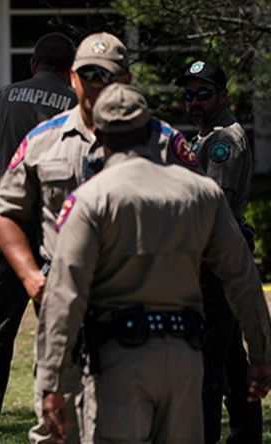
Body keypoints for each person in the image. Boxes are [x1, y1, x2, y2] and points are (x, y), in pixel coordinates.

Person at [0, 32, 198, 444]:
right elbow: (6, 211)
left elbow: (202, 212)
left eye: (107, 76)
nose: (96, 84)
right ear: (72, 78)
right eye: (88, 75)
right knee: (56, 426)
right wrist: (31, 276)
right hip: (65, 303)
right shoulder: (43, 141)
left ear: (127, 79)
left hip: (142, 309)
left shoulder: (162, 141)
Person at [37, 84, 271, 443]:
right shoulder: (202, 193)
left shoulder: (89, 201)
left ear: (97, 135)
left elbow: (64, 296)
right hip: (184, 357)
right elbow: (242, 279)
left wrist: (52, 379)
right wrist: (261, 353)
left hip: (118, 359)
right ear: (151, 130)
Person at [0, 33, 78, 443]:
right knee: (68, 344)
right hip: (62, 241)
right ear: (70, 68)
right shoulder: (81, 106)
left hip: (5, 236)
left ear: (32, 64)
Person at [176, 60, 260, 443]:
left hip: (214, 260)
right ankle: (245, 435)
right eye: (189, 94)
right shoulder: (205, 135)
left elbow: (214, 205)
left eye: (203, 93)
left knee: (206, 365)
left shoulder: (224, 139)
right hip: (215, 257)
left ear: (223, 95)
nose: (194, 101)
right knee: (230, 361)